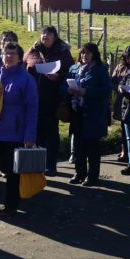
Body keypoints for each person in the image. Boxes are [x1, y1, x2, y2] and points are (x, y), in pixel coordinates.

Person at [0, 42, 38, 216]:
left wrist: (29, 135)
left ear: (19, 58)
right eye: (6, 53)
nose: (9, 56)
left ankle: (11, 206)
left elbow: (32, 108)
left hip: (14, 133)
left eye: (12, 53)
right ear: (1, 56)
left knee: (12, 171)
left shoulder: (26, 79)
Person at [27, 26, 74, 174]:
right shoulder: (33, 50)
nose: (44, 37)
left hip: (53, 98)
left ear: (55, 37)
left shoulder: (63, 52)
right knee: (38, 132)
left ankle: (51, 165)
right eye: (43, 34)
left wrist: (58, 77)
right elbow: (24, 65)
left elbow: (71, 72)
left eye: (48, 35)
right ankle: (38, 164)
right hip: (34, 97)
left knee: (51, 132)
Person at [67, 43, 112, 187]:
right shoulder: (74, 69)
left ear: (94, 55)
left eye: (88, 53)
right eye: (82, 53)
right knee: (79, 145)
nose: (84, 56)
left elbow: (106, 90)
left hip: (93, 113)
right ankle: (79, 172)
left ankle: (93, 176)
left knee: (92, 146)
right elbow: (64, 84)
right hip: (77, 111)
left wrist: (87, 92)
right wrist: (67, 90)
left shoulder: (100, 69)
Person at [111, 46, 130, 163]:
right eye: (128, 57)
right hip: (122, 100)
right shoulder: (120, 67)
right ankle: (124, 151)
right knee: (123, 127)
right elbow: (113, 81)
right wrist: (118, 87)